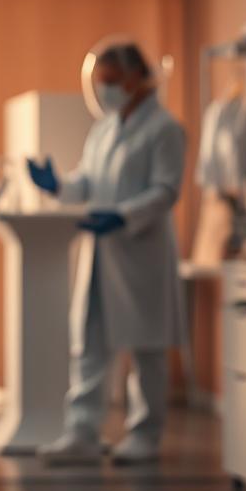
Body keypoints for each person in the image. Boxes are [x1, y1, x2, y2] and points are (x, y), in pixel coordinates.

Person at [27, 39, 186, 466]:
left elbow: (165, 190)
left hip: (141, 253)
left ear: (138, 77)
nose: (105, 92)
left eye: (112, 82)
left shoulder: (165, 129)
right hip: (101, 253)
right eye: (100, 83)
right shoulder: (103, 128)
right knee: (90, 345)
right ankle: (81, 432)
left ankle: (145, 434)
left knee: (146, 347)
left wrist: (123, 216)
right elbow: (88, 183)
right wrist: (57, 185)